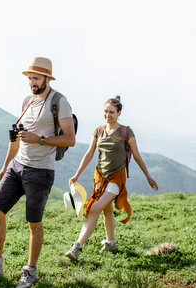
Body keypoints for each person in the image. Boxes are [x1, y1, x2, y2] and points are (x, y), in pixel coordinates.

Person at [0, 57, 75, 287]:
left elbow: (70, 138)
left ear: (47, 78)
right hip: (17, 167)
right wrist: (6, 164)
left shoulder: (59, 101)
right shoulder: (28, 100)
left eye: (35, 78)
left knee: (33, 223)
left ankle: (30, 272)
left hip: (40, 171)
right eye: (29, 78)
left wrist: (40, 139)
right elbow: (16, 136)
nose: (31, 83)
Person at [65, 96, 158, 261]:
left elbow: (136, 155)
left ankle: (77, 247)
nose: (108, 115)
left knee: (94, 208)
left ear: (119, 113)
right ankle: (111, 243)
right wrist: (77, 174)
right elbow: (89, 154)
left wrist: (148, 177)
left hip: (116, 178)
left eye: (112, 112)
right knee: (106, 210)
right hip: (100, 178)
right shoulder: (99, 130)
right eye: (106, 111)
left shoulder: (126, 132)